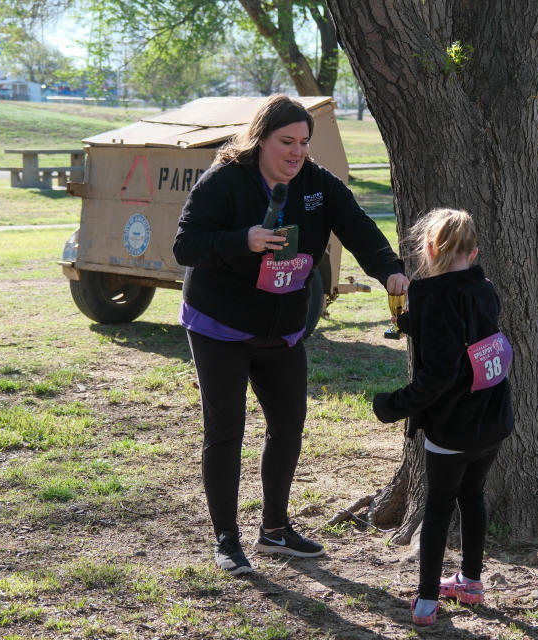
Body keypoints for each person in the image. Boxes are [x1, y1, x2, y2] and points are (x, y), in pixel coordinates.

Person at [173, 94, 409, 575]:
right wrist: (244, 240)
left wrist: (390, 271)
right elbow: (185, 246)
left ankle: (275, 530)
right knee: (226, 430)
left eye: (304, 142)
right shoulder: (225, 181)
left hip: (281, 328)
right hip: (220, 325)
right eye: (286, 141)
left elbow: (359, 227)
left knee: (288, 427)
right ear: (261, 139)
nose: (296, 152)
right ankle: (226, 538)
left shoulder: (318, 184)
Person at [372, 208, 514, 626]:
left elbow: (438, 374)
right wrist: (415, 326)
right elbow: (464, 334)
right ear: (474, 252)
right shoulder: (484, 288)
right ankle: (470, 582)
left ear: (430, 249)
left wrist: (391, 406)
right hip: (491, 420)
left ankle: (427, 601)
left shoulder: (429, 296)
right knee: (472, 497)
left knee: (437, 508)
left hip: (451, 427)